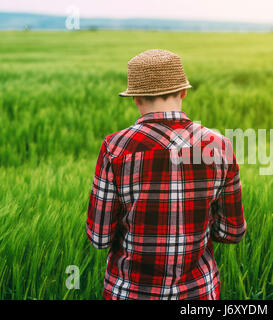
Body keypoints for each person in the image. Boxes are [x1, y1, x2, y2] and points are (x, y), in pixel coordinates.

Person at [86, 49, 246, 300]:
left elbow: (99, 237)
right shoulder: (220, 146)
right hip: (198, 294)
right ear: (183, 92)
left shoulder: (114, 148)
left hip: (130, 293)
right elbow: (231, 232)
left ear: (136, 97)